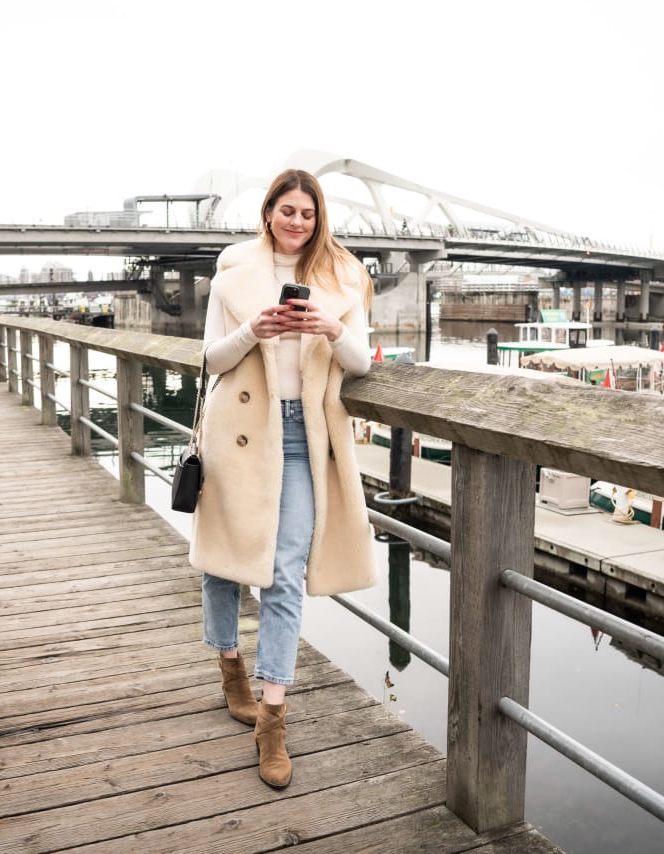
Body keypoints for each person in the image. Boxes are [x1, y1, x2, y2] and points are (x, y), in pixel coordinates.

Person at [190, 168, 376, 789]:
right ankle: (230, 669)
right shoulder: (235, 267)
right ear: (268, 212)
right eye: (287, 210)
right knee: (222, 561)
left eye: (308, 213)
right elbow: (210, 358)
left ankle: (273, 717)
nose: (298, 222)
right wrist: (255, 330)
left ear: (319, 218)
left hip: (304, 437)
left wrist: (331, 328)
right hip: (240, 431)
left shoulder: (345, 276)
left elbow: (362, 364)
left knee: (284, 568)